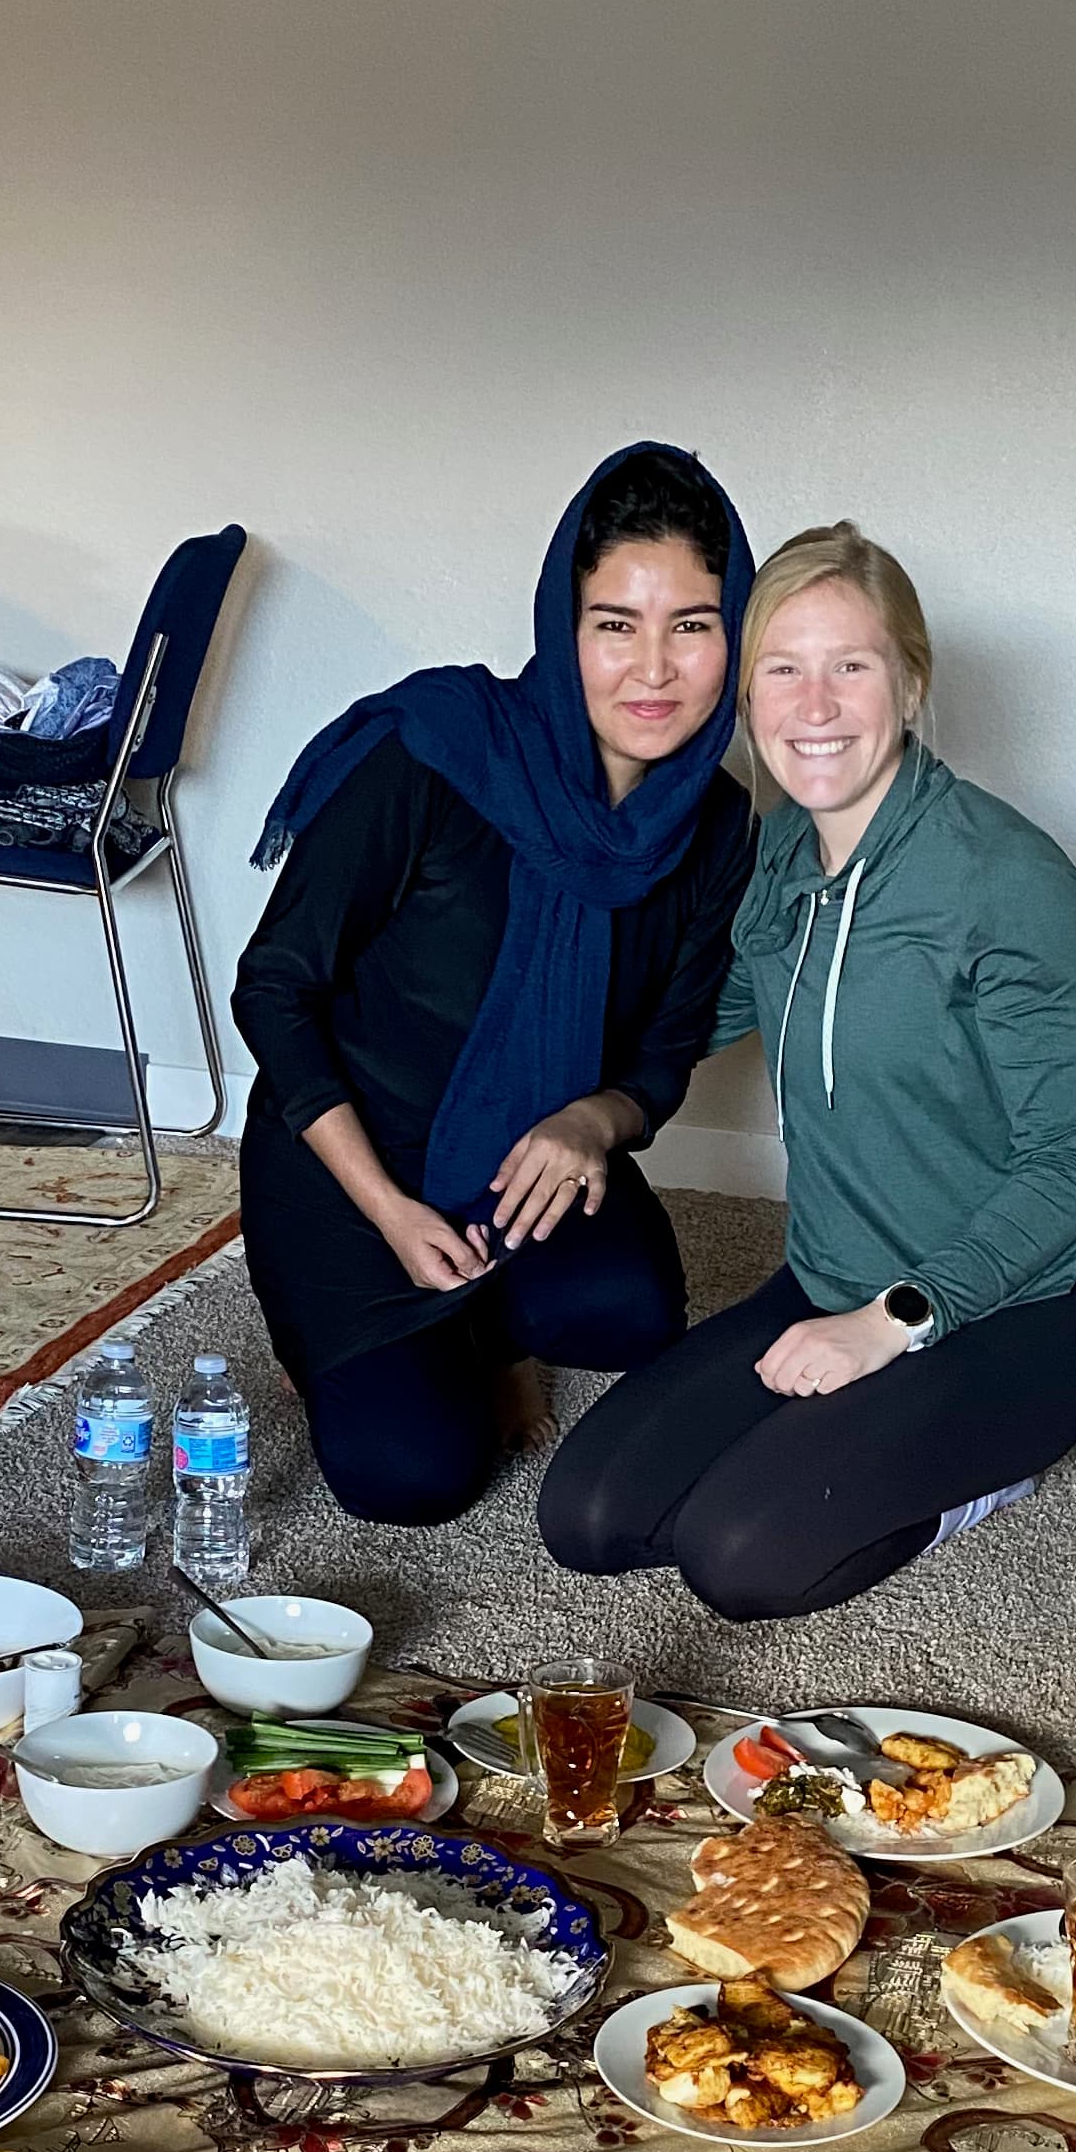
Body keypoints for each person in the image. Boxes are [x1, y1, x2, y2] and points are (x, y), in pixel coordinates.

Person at [538, 519, 1076, 1619]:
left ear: (908, 685)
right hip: (826, 1274)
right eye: (783, 670)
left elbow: (1074, 1166)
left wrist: (889, 1323)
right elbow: (717, 1008)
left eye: (849, 667)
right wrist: (570, 1094)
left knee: (739, 1558)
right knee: (589, 1518)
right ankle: (858, 1427)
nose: (814, 708)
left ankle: (983, 1475)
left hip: (1016, 1310)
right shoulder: (780, 846)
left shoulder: (1009, 884)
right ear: (748, 694)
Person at [232, 445, 756, 1527]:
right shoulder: (431, 757)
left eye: (692, 625)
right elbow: (274, 991)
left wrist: (588, 1121)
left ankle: (487, 1321)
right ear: (565, 630)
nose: (653, 668)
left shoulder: (715, 826)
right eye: (616, 623)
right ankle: (365, 1335)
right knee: (413, 1482)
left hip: (529, 1162)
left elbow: (663, 1054)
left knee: (630, 1317)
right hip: (352, 1168)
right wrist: (385, 1209)